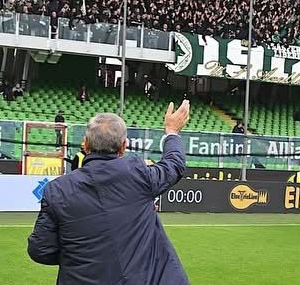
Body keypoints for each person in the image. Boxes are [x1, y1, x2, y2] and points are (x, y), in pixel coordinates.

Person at [28, 101, 191, 284]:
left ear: (86, 144)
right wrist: (172, 131)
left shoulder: (57, 190)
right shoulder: (138, 173)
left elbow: (40, 249)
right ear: (123, 146)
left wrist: (79, 254)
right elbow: (174, 164)